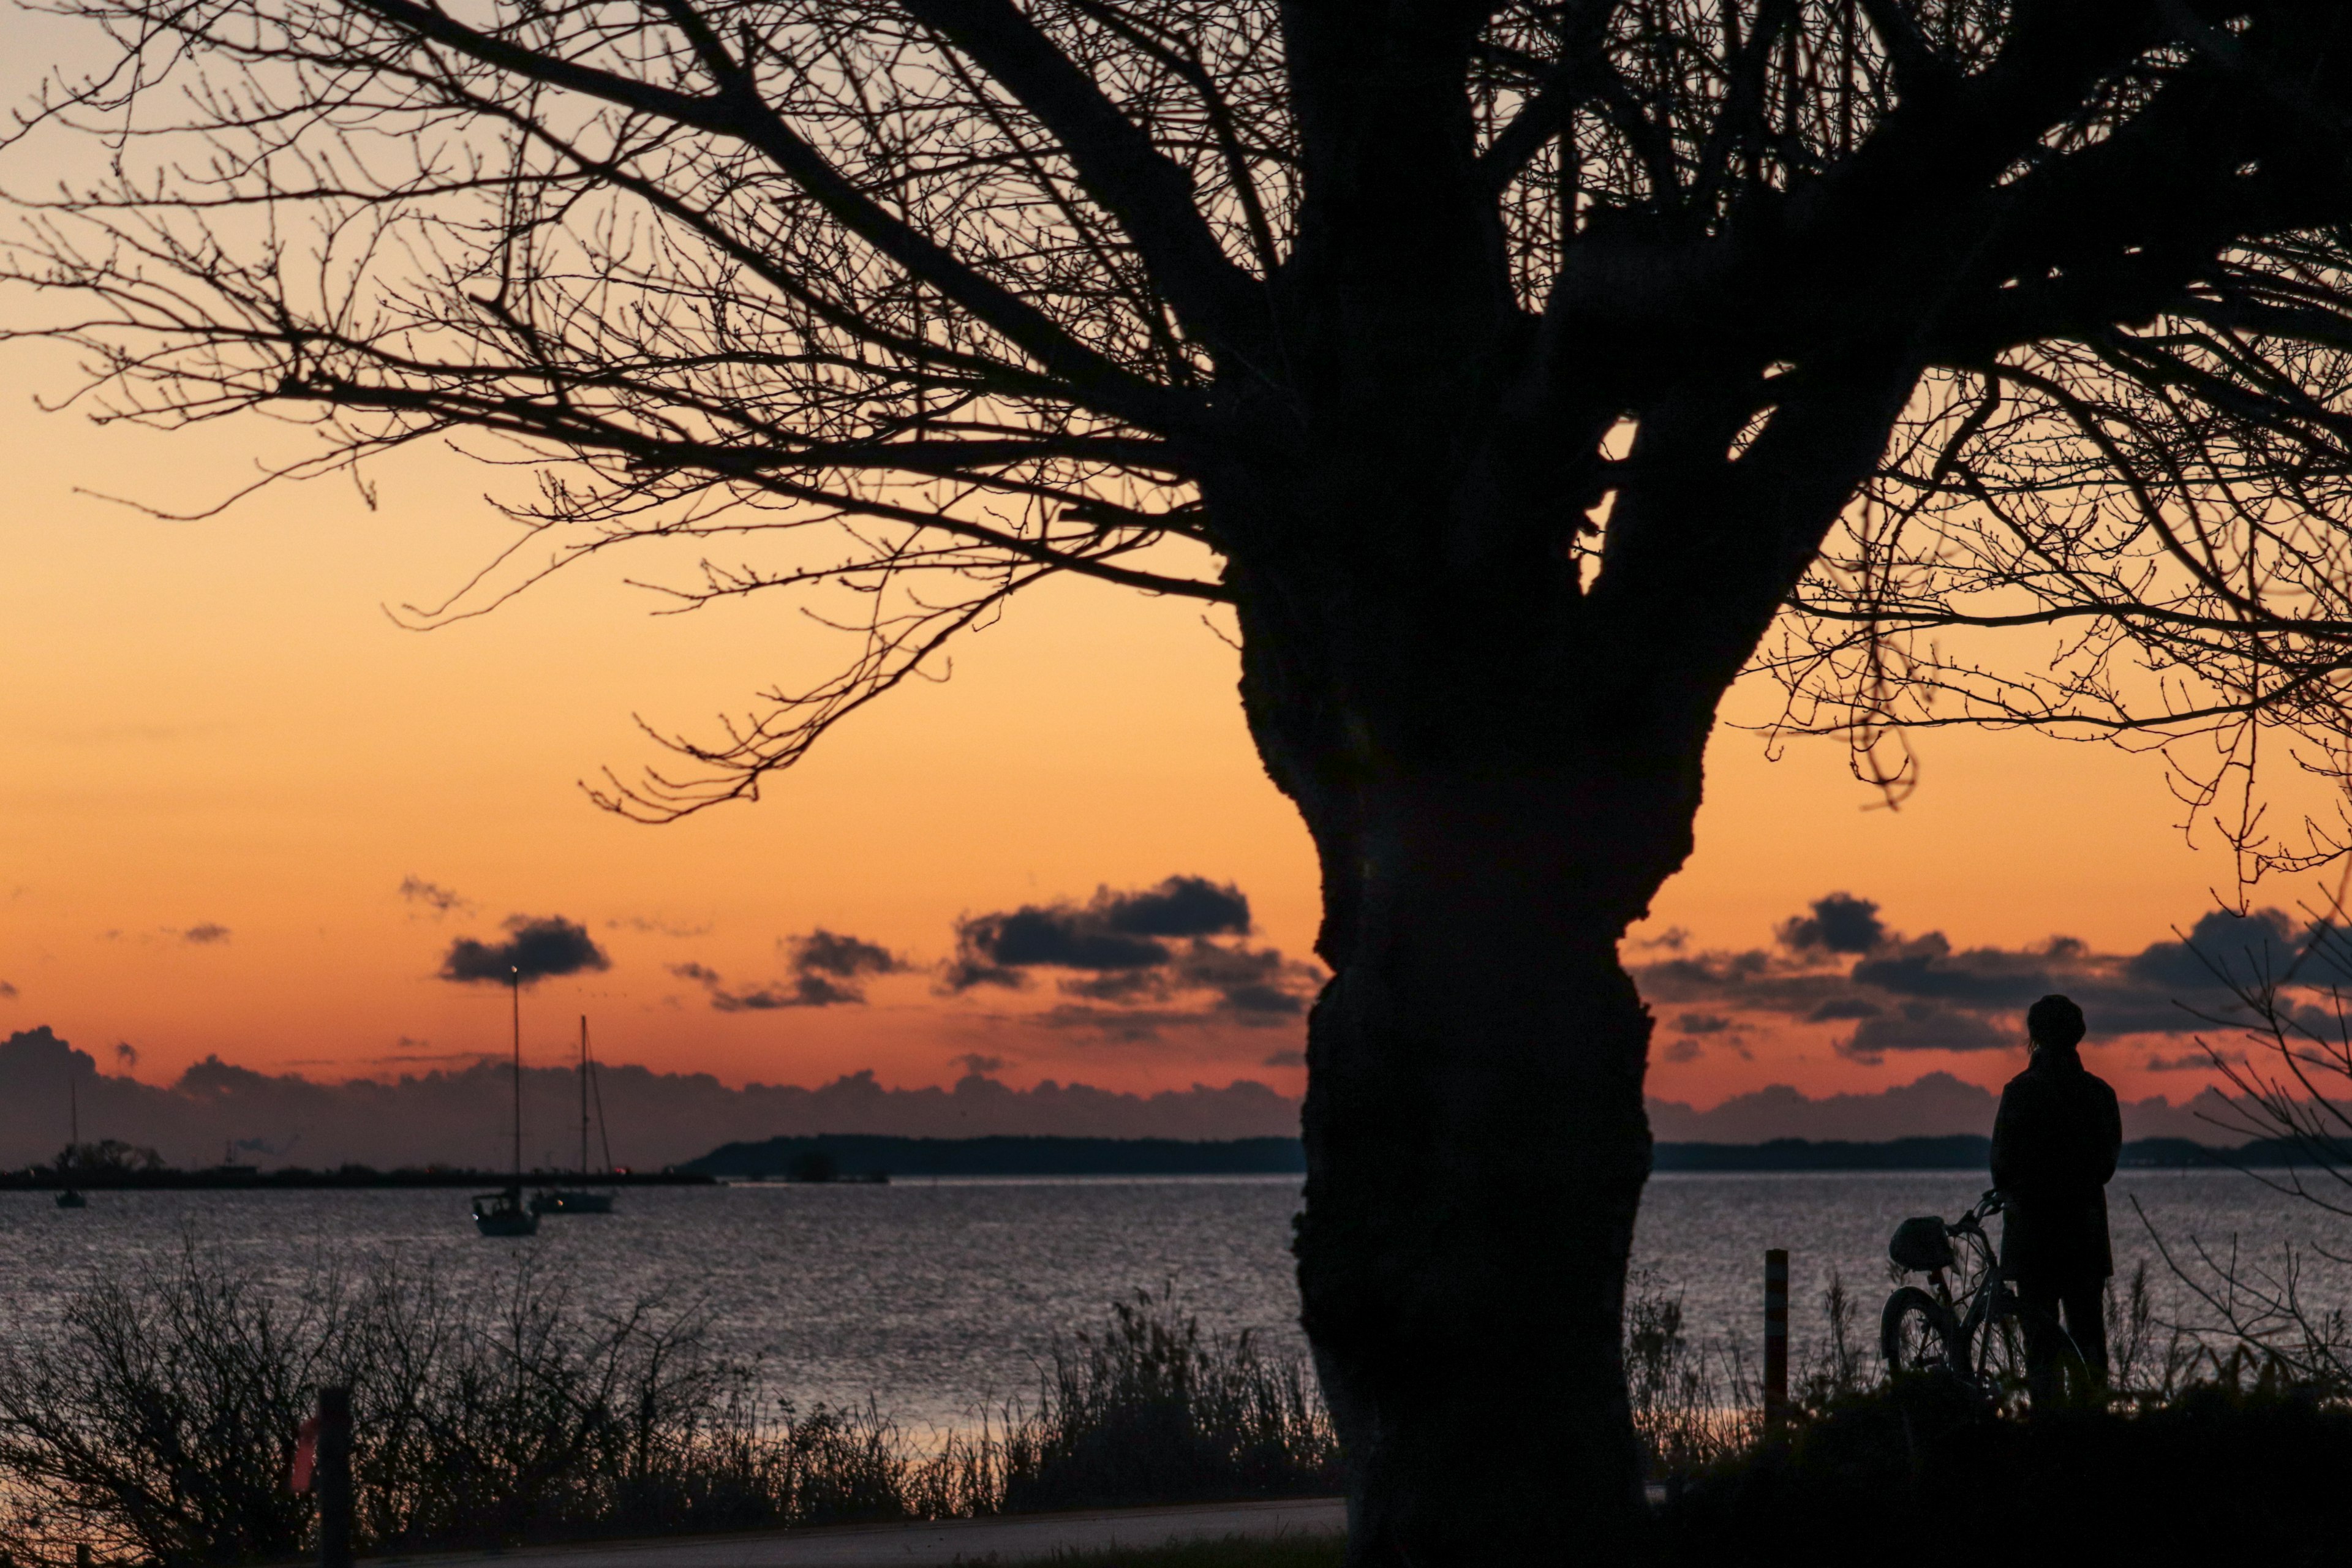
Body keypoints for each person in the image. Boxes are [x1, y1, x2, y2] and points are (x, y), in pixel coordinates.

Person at [1989, 993, 2122, 1404]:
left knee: (2040, 1343)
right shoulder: (2100, 1094)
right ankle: (2093, 1423)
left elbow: (2001, 1165)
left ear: (2035, 1036)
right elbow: (2106, 1166)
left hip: (2033, 1236)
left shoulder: (2020, 1091)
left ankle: (2046, 1427)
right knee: (2088, 1337)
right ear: (2078, 1036)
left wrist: (2025, 1190)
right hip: (2084, 1231)